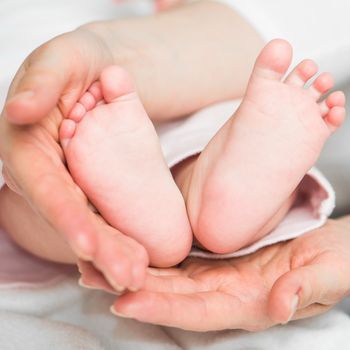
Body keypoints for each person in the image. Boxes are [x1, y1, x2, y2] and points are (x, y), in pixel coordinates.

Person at [0, 0, 349, 329]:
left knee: (36, 199)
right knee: (214, 149)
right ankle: (199, 189)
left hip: (109, 130)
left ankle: (122, 213)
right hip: (210, 123)